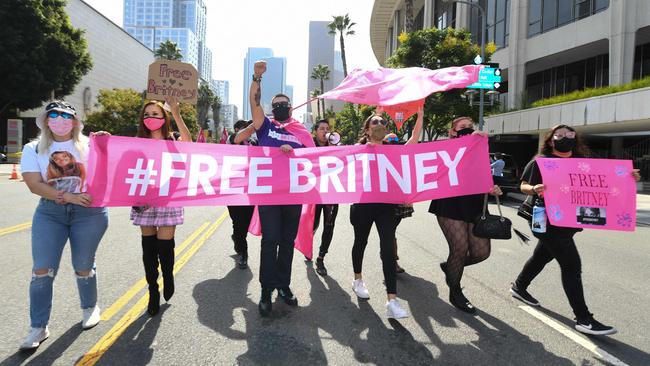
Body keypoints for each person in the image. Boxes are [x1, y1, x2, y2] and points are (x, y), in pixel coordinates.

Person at [510, 124, 641, 335]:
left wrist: (629, 177)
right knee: (571, 266)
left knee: (542, 256)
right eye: (559, 135)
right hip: (547, 221)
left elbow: (607, 180)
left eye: (570, 134)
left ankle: (519, 286)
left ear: (576, 138)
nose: (565, 138)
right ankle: (584, 319)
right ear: (551, 140)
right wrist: (534, 189)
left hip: (570, 221)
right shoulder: (541, 162)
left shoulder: (583, 163)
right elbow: (523, 185)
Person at [19, 101, 109, 350]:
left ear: (75, 120)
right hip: (50, 213)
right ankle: (38, 326)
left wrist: (106, 144)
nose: (60, 119)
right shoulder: (33, 148)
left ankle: (90, 307)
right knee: (42, 270)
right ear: (46, 120)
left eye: (66, 115)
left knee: (83, 265)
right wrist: (68, 197)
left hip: (89, 213)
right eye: (54, 115)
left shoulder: (90, 145)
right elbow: (34, 184)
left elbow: (114, 166)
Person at [235, 60, 315, 317]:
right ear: (273, 108)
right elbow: (254, 103)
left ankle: (283, 285)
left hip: (293, 195)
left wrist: (294, 153)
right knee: (270, 241)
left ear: (291, 108)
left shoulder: (301, 131)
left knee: (287, 242)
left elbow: (315, 160)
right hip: (269, 195)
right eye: (276, 104)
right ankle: (265, 289)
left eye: (284, 103)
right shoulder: (265, 126)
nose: (280, 106)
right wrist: (257, 78)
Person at [350, 107, 423, 319]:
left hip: (386, 207)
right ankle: (357, 279)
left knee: (388, 250)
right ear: (367, 129)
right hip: (363, 204)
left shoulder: (393, 150)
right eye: (375, 122)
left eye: (382, 122)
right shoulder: (359, 149)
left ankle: (392, 300)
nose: (380, 124)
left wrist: (420, 116)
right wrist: (376, 111)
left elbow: (414, 140)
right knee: (360, 242)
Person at [429, 116, 502, 314]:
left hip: (475, 205)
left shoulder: (480, 149)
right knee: (459, 249)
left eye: (471, 126)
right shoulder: (444, 149)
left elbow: (484, 176)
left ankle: (451, 267)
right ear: (453, 131)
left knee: (481, 252)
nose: (468, 129)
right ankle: (456, 291)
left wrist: (492, 188)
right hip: (450, 204)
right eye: (463, 127)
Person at [130, 98, 191, 316]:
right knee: (148, 248)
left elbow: (188, 141)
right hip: (143, 201)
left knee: (165, 247)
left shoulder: (173, 139)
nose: (151, 118)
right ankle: (153, 290)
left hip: (167, 200)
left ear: (163, 118)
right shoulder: (137, 142)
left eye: (156, 114)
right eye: (147, 114)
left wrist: (175, 111)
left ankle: (168, 275)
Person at [310, 119, 339, 276]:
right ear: (316, 131)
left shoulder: (335, 145)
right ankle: (308, 245)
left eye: (327, 128)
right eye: (322, 128)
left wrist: (334, 148)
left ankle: (320, 258)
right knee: (312, 225)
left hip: (331, 193)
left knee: (329, 225)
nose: (325, 131)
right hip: (313, 193)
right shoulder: (308, 145)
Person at [227, 120, 256, 269]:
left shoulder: (255, 143)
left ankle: (237, 239)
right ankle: (243, 254)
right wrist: (254, 124)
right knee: (238, 222)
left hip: (251, 192)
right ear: (237, 129)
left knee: (245, 223)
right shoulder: (232, 140)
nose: (247, 131)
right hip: (234, 191)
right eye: (243, 128)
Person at [383, 132, 410, 274]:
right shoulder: (377, 155)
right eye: (389, 143)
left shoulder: (402, 157)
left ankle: (392, 260)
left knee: (391, 232)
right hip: (381, 202)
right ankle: (390, 260)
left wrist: (409, 198)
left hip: (398, 202)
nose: (392, 146)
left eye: (395, 143)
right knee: (389, 233)